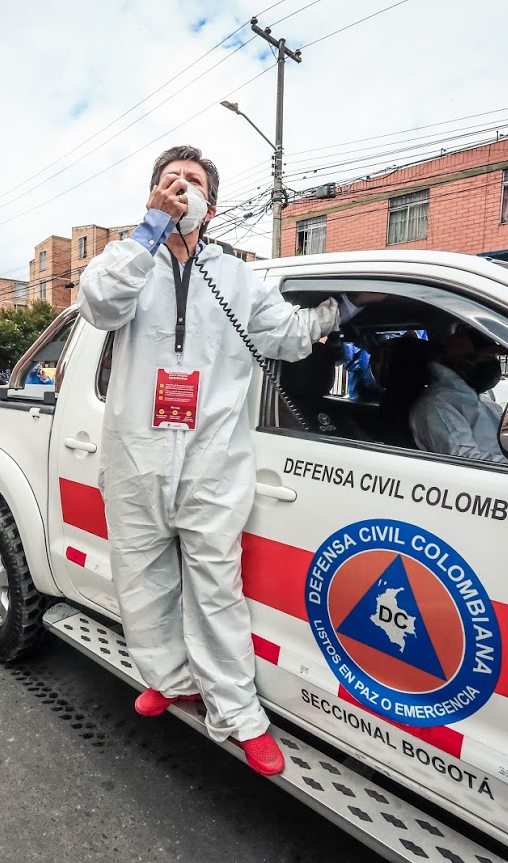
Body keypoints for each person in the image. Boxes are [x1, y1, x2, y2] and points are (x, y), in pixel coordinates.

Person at [77, 144, 358, 776]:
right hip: (136, 457)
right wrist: (147, 232)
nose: (181, 190)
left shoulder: (236, 276)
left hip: (212, 461)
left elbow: (283, 334)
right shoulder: (128, 262)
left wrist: (340, 311)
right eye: (169, 182)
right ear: (152, 196)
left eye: (193, 183)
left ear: (212, 203)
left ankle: (237, 714)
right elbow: (98, 304)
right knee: (142, 582)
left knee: (215, 592)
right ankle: (169, 679)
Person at [409, 324, 507, 462]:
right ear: (465, 365)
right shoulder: (437, 406)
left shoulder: (478, 397)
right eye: (489, 357)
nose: (494, 363)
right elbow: (466, 461)